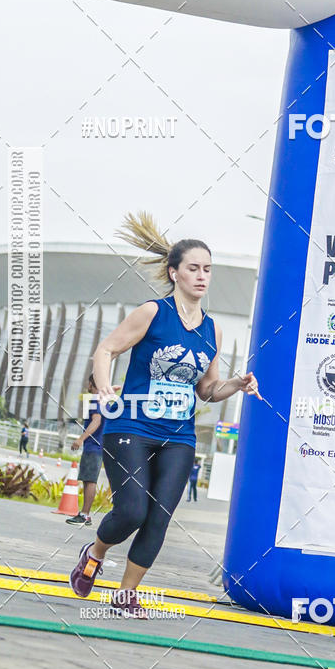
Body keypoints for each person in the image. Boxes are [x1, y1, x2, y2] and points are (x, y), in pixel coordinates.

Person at [70, 212, 261, 617]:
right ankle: (95, 552)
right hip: (132, 427)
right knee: (132, 510)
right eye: (193, 268)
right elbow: (105, 350)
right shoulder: (153, 313)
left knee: (158, 517)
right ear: (174, 273)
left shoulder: (213, 330)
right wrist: (104, 386)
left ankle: (125, 595)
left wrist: (238, 385)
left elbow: (208, 390)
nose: (202, 276)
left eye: (208, 269)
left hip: (179, 436)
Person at [66, 374, 115, 527]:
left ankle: (85, 515)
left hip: (93, 446)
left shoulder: (95, 399)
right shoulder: (105, 401)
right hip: (100, 445)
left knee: (90, 480)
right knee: (89, 480)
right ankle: (84, 514)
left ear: (91, 384)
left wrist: (81, 438)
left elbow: (96, 420)